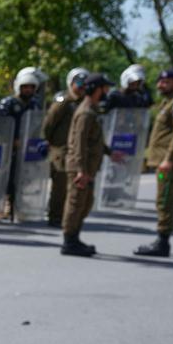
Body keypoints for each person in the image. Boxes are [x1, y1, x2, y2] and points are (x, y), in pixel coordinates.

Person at [135, 69, 173, 257]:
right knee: (163, 198)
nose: (160, 85)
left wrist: (169, 159)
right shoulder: (169, 102)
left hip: (170, 163)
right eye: (160, 81)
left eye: (166, 82)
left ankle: (162, 242)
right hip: (164, 161)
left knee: (165, 199)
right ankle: (162, 239)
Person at [60, 73, 119, 256]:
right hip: (80, 167)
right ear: (95, 89)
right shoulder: (85, 113)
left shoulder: (92, 110)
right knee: (76, 203)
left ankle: (75, 238)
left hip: (87, 167)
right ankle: (69, 242)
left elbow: (94, 140)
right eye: (104, 88)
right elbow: (78, 143)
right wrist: (80, 170)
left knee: (85, 204)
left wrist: (109, 152)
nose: (107, 92)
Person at [42, 68, 89, 227]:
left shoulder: (84, 104)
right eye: (79, 83)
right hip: (60, 150)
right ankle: (55, 216)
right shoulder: (63, 102)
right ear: (71, 83)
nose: (81, 87)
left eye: (84, 84)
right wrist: (48, 142)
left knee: (73, 186)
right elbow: (48, 124)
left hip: (75, 150)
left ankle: (67, 216)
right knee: (60, 186)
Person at [0, 67, 43, 218]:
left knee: (24, 176)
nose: (28, 90)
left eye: (31, 87)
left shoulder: (35, 105)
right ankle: (5, 203)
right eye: (25, 87)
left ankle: (18, 204)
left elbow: (38, 125)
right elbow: (2, 126)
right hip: (10, 147)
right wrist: (11, 140)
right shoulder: (8, 103)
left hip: (27, 147)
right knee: (7, 176)